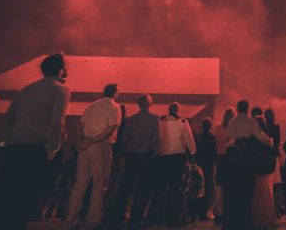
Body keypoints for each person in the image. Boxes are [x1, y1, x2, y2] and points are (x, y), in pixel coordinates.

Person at [0, 54, 69, 230]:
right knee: (26, 199)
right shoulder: (61, 90)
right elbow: (57, 122)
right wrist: (53, 148)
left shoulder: (26, 89)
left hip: (13, 149)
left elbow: (9, 118)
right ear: (60, 70)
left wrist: (9, 140)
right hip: (35, 149)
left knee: (5, 198)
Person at [66, 83, 122, 229]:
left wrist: (81, 142)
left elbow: (80, 125)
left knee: (80, 185)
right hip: (101, 147)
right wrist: (92, 141)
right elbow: (110, 129)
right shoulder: (114, 107)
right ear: (115, 93)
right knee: (99, 185)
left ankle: (70, 220)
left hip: (84, 147)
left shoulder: (91, 105)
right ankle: (93, 221)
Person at [112, 94, 159, 229]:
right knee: (143, 189)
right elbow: (156, 139)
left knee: (125, 187)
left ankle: (117, 217)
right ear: (150, 104)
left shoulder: (130, 120)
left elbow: (124, 139)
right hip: (146, 156)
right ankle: (136, 218)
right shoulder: (154, 119)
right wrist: (155, 153)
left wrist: (129, 150)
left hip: (131, 156)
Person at [223, 100, 269, 230]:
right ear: (247, 109)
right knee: (247, 190)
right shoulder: (251, 121)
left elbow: (228, 139)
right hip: (245, 158)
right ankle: (245, 222)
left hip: (233, 159)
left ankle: (233, 221)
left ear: (238, 109)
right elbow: (260, 137)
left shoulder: (232, 121)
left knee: (234, 190)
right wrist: (267, 140)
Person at [157, 102, 197, 226]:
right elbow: (189, 140)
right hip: (177, 157)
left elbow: (157, 138)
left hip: (163, 157)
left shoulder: (161, 122)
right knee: (175, 188)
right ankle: (173, 218)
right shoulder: (183, 122)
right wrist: (193, 153)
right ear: (178, 110)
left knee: (163, 187)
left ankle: (162, 215)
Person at [251, 108, 276, 229]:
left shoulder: (254, 135)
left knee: (256, 194)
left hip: (256, 167)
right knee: (267, 193)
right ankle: (267, 217)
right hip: (266, 167)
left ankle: (257, 218)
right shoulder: (267, 137)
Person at [213, 108, 234, 225]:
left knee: (219, 187)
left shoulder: (218, 128)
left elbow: (215, 144)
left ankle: (218, 213)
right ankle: (228, 211)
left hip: (220, 159)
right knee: (230, 187)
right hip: (231, 160)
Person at [196, 117, 217, 220]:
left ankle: (199, 210)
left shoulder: (199, 136)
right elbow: (214, 152)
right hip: (209, 165)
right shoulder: (212, 137)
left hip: (201, 164)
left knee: (201, 187)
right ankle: (206, 211)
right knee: (209, 188)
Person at [264, 108, 283, 217]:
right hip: (274, 157)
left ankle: (271, 209)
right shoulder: (276, 127)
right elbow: (278, 142)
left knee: (269, 185)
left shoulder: (263, 128)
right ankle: (277, 209)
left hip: (266, 157)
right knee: (276, 184)